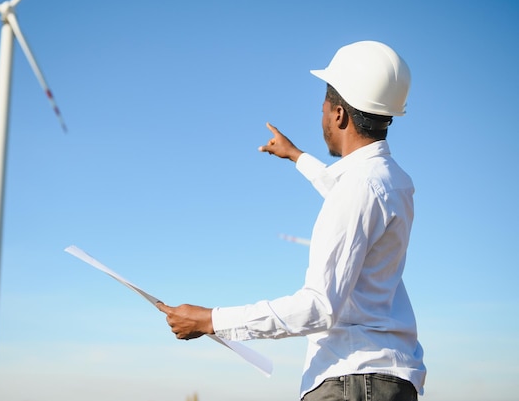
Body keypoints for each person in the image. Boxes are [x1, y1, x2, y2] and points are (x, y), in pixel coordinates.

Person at [157, 41, 426, 401]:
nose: (322, 118)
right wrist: (297, 157)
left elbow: (319, 306)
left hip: (351, 379)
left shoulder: (359, 188)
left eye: (323, 109)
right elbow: (348, 195)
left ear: (339, 115)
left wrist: (211, 320)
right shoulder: (393, 181)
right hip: (388, 380)